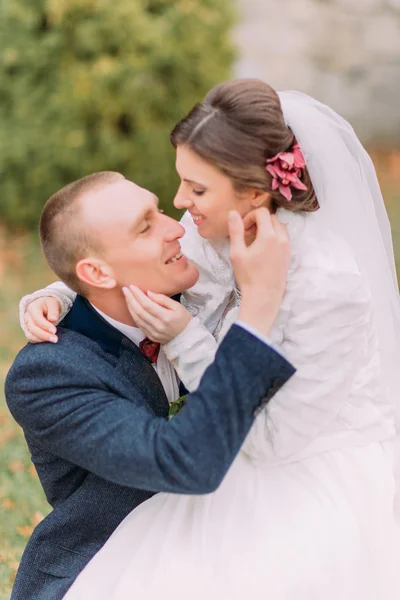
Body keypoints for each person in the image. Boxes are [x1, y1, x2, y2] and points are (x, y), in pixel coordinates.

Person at [21, 80, 400, 599]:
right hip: (213, 465)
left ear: (253, 190)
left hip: (305, 476)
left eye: (195, 191)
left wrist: (189, 339)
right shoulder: (212, 229)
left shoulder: (325, 285)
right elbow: (125, 264)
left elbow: (270, 441)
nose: (180, 210)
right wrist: (61, 293)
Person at [5, 171, 295, 600]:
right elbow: (181, 462)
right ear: (97, 273)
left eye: (159, 210)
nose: (176, 227)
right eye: (146, 226)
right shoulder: (48, 373)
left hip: (237, 532)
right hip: (109, 570)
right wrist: (256, 318)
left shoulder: (193, 296)